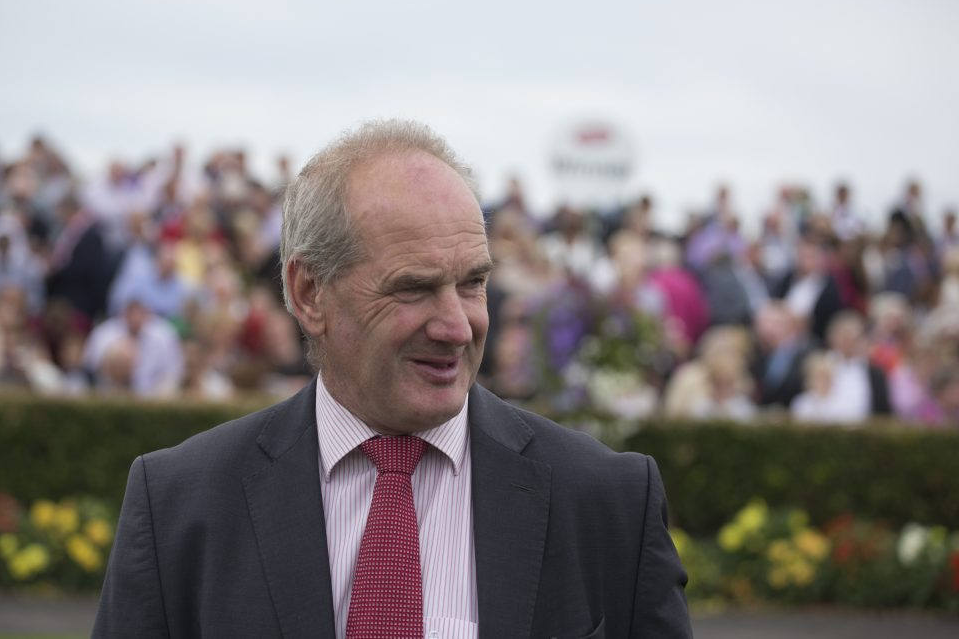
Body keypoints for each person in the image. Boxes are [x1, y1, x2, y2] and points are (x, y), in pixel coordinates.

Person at [94, 120, 690, 638]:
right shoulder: (179, 504)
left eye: (472, 283)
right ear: (309, 293)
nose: (457, 327)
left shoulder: (609, 503)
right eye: (414, 288)